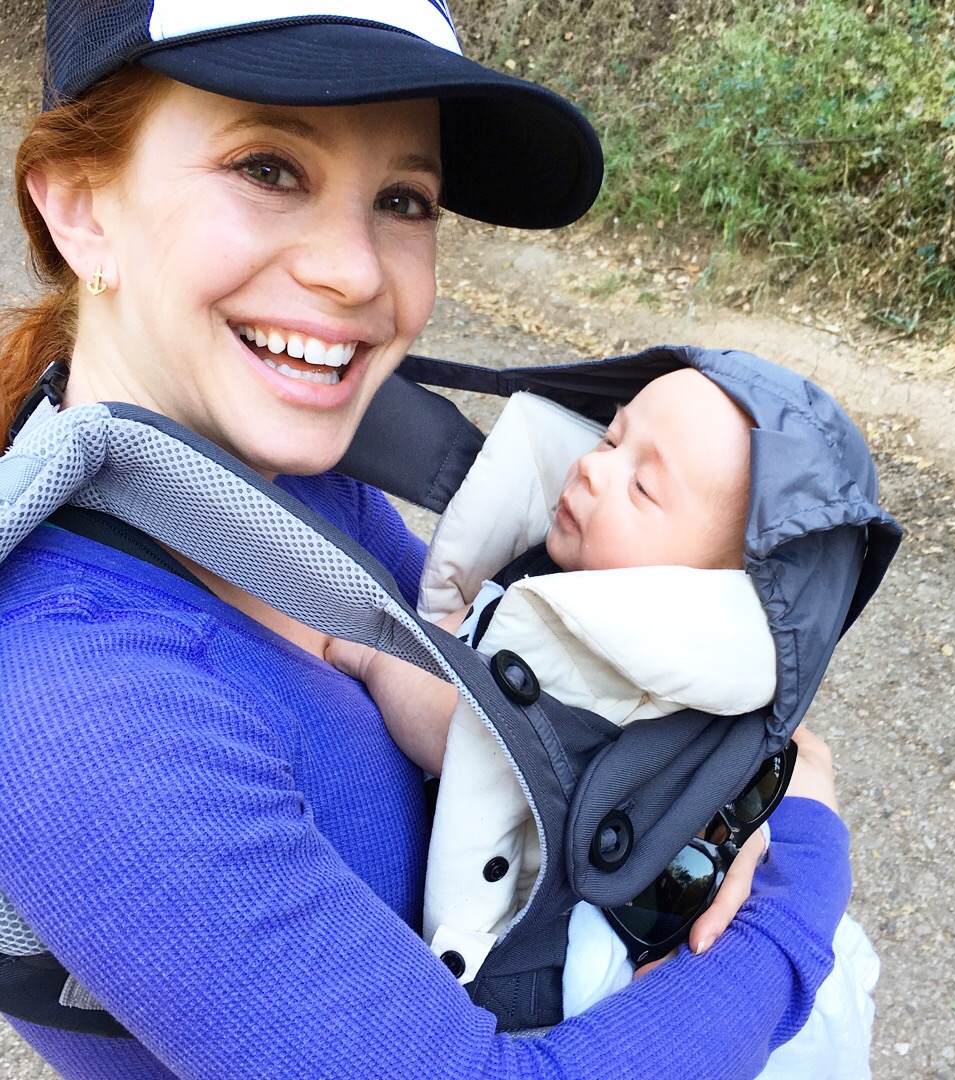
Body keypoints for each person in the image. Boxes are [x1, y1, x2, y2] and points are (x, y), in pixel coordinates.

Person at [0, 4, 854, 1078]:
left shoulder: (296, 493)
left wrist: (721, 780)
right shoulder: (79, 703)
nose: (357, 273)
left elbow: (504, 705)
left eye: (403, 199)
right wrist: (794, 888)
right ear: (79, 207)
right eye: (268, 168)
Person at [328, 370, 878, 1077]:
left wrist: (376, 656)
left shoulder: (631, 657)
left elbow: (471, 732)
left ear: (713, 594)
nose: (591, 468)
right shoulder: (579, 590)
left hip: (583, 979)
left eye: (642, 486)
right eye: (612, 438)